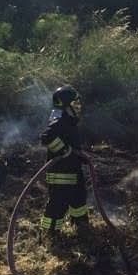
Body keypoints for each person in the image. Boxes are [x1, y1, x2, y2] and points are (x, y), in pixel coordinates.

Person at [40, 85, 91, 238]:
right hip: (60, 174)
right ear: (67, 105)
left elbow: (71, 144)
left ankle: (81, 228)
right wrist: (63, 151)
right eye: (75, 104)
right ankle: (50, 236)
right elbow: (46, 137)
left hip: (72, 172)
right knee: (58, 206)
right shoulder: (60, 119)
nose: (78, 107)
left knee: (79, 201)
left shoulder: (68, 120)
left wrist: (80, 157)